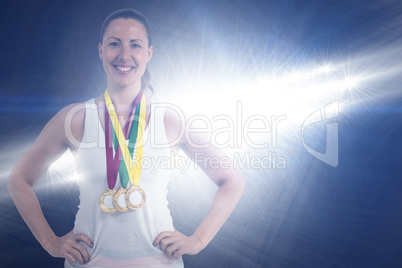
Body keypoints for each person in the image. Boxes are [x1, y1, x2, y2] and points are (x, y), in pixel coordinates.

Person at [7, 8, 244, 267]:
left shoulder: (171, 118)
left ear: (149, 53)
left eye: (135, 45)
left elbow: (232, 180)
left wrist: (198, 240)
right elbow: (19, 180)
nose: (124, 55)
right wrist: (50, 242)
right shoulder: (75, 118)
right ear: (100, 51)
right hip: (89, 263)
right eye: (114, 44)